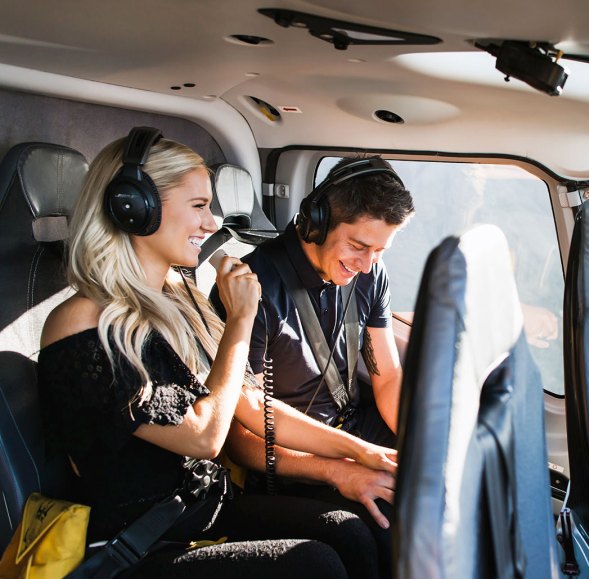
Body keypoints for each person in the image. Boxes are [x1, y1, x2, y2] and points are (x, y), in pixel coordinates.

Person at [37, 128, 396, 578]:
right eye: (199, 207)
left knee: (348, 531)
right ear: (135, 209)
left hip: (203, 507)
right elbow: (204, 436)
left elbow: (249, 403)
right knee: (311, 564)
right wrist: (241, 321)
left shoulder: (178, 297)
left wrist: (359, 453)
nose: (211, 224)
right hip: (138, 542)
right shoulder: (81, 322)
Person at [210, 156, 414, 577]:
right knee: (388, 532)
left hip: (357, 431)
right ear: (316, 222)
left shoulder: (370, 274)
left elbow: (388, 377)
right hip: (295, 459)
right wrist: (339, 468)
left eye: (379, 250)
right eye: (358, 246)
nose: (367, 264)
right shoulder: (251, 288)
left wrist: (421, 438)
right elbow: (242, 437)